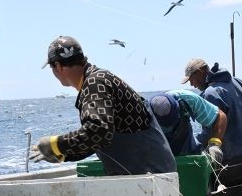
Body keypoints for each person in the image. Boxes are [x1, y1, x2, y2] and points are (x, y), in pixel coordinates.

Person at [30, 36, 176, 176]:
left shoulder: (94, 83)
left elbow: (98, 132)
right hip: (152, 174)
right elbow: (97, 140)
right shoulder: (98, 80)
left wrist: (56, 144)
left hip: (150, 178)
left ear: (57, 66)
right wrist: (63, 154)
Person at [182, 58, 242, 193]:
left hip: (230, 164)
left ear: (200, 72)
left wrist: (189, 148)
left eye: (191, 78)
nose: (192, 84)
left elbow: (209, 132)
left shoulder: (211, 93)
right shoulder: (236, 81)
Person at [149, 89, 227, 162]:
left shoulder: (187, 99)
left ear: (177, 106)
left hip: (190, 154)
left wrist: (214, 144)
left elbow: (220, 116)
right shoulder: (144, 114)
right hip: (160, 157)